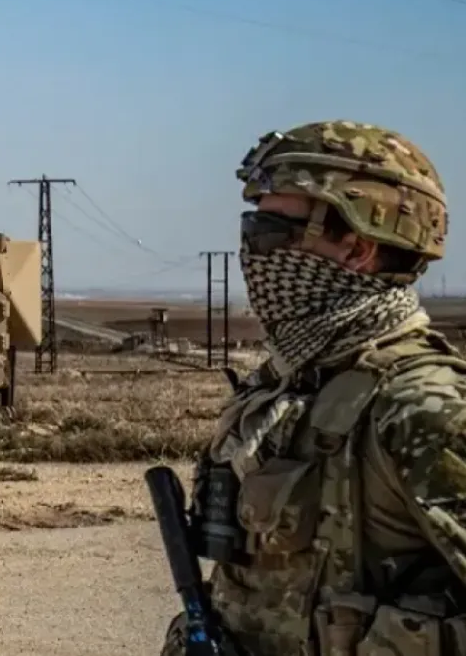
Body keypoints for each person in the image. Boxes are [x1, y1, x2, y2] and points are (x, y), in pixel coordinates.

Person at [157, 120, 461, 656]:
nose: (253, 251)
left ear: (359, 248)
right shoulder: (291, 386)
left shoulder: (421, 404)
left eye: (273, 231)